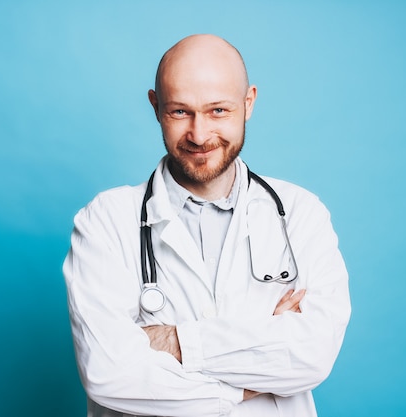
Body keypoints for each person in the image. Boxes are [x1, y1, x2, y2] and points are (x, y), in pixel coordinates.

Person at [63, 34, 351, 417]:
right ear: (155, 106)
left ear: (248, 103)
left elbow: (312, 354)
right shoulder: (105, 221)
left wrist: (172, 340)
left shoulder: (300, 214)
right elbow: (108, 373)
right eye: (180, 112)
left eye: (218, 111)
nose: (199, 135)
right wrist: (253, 363)